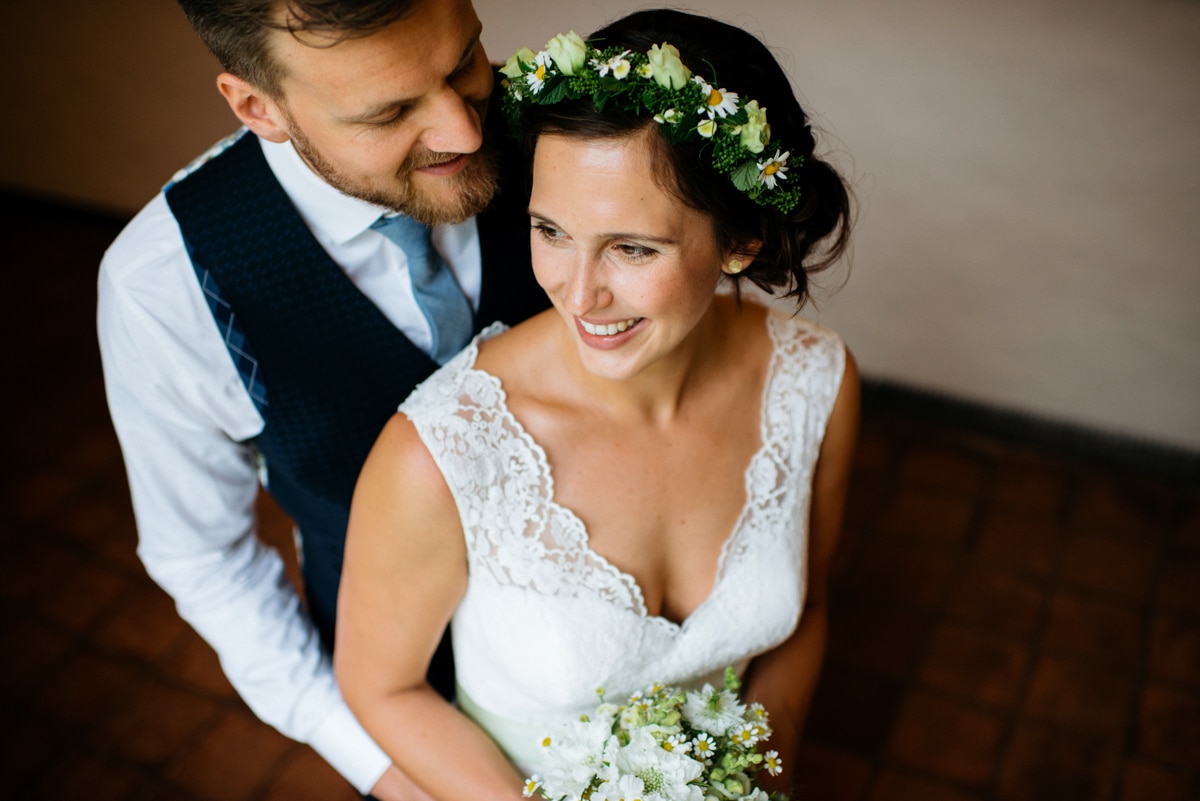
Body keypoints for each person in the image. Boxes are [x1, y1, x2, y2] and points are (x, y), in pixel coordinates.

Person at [334, 8, 860, 799]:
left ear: (740, 240)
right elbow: (382, 687)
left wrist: (748, 780)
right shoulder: (440, 451)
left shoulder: (817, 381)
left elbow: (808, 610)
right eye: (550, 230)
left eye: (632, 247)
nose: (578, 293)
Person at [96, 1, 547, 798]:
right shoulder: (161, 288)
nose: (464, 131)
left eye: (464, 62)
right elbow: (205, 558)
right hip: (406, 690)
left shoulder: (567, 134)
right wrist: (380, 766)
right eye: (390, 111)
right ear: (256, 106)